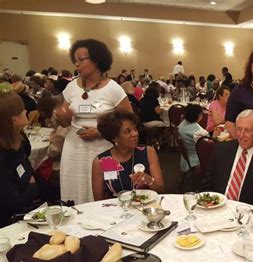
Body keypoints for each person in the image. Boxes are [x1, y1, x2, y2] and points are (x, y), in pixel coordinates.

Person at [55, 38, 132, 204]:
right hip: (74, 147)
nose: (77, 64)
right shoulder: (71, 87)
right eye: (75, 61)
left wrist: (100, 131)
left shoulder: (113, 88)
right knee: (73, 188)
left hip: (102, 147)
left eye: (81, 60)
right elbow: (63, 121)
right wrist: (62, 116)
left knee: (101, 191)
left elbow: (129, 120)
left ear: (97, 61)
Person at [202, 109, 253, 210]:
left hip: (249, 216)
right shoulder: (221, 150)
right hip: (216, 209)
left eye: (247, 130)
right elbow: (207, 184)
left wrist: (246, 213)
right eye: (239, 129)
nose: (241, 135)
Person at [92, 110, 164, 200]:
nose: (135, 134)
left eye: (135, 129)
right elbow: (98, 201)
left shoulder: (148, 152)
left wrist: (148, 179)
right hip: (115, 210)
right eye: (128, 131)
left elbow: (161, 190)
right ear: (114, 137)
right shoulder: (103, 161)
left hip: (144, 207)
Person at [0, 87, 39, 227]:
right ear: (14, 119)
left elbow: (27, 152)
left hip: (24, 211)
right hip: (9, 222)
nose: (26, 111)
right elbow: (12, 201)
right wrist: (32, 185)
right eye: (22, 110)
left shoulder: (18, 143)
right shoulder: (3, 156)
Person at [178, 104, 210, 172]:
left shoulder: (182, 124)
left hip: (186, 157)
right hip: (197, 159)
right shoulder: (199, 132)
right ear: (199, 115)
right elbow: (208, 146)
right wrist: (215, 136)